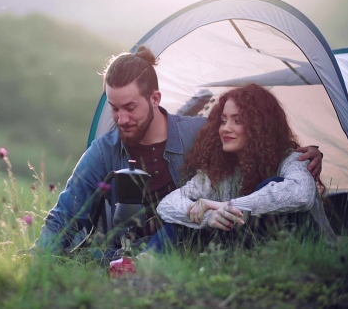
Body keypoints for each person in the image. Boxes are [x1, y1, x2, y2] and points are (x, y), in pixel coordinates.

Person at [31, 46, 324, 254]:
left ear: (155, 98)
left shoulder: (200, 134)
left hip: (197, 247)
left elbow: (259, 152)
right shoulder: (105, 150)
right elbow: (65, 216)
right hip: (128, 253)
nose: (121, 119)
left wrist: (297, 156)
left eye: (130, 108)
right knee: (86, 259)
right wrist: (38, 259)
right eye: (114, 109)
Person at [151, 84, 336, 254]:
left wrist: (228, 206)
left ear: (259, 126)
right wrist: (208, 216)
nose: (225, 129)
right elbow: (167, 204)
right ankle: (140, 262)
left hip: (309, 253)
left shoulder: (294, 158)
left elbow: (301, 195)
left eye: (237, 121)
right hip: (252, 255)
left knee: (272, 184)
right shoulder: (221, 170)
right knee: (189, 218)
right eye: (223, 121)